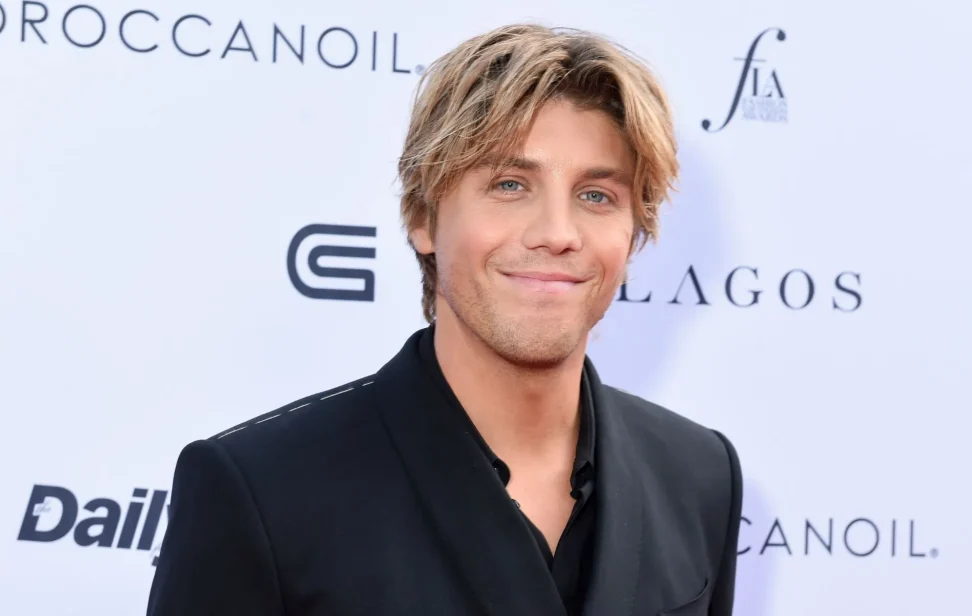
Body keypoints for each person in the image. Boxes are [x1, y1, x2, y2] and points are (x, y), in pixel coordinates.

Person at [147, 23, 742, 616]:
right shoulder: (261, 493)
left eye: (596, 196)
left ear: (633, 232)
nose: (558, 234)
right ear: (423, 218)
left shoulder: (699, 476)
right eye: (510, 185)